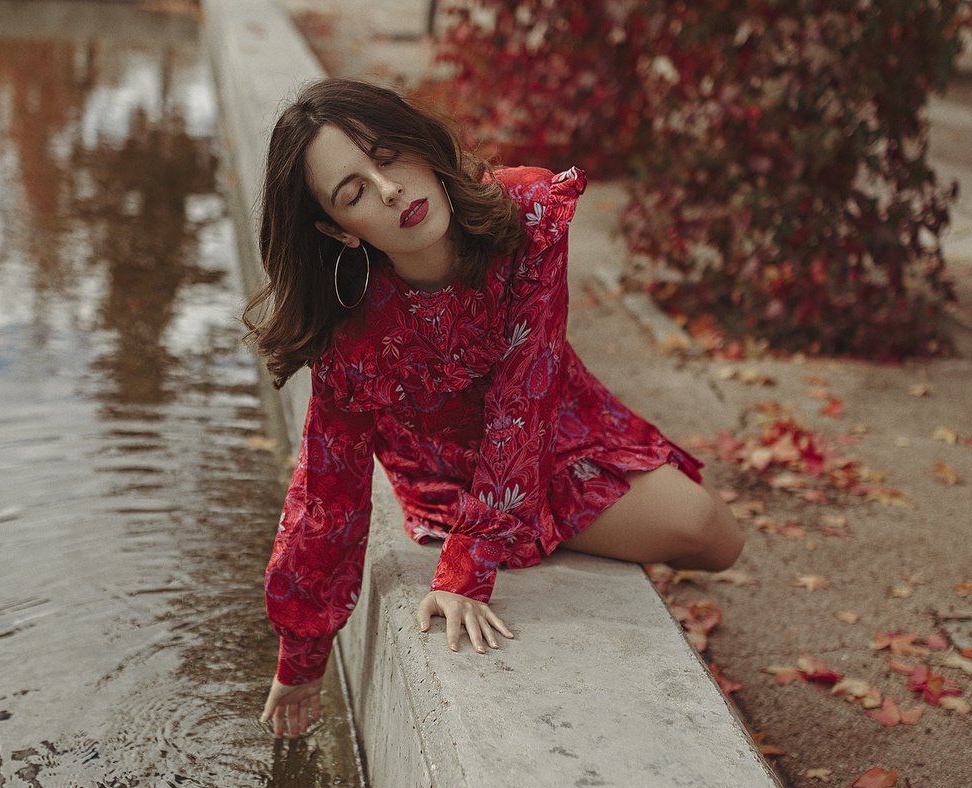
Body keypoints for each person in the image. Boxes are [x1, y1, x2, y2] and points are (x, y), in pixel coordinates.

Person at [244, 79, 743, 739]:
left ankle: (534, 526)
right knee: (686, 523)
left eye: (388, 155)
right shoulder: (352, 333)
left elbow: (526, 383)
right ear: (339, 228)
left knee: (715, 534)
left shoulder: (527, 213)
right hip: (449, 468)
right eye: (354, 191)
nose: (389, 189)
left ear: (418, 147)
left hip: (558, 414)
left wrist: (469, 567)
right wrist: (301, 657)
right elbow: (326, 491)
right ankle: (528, 527)